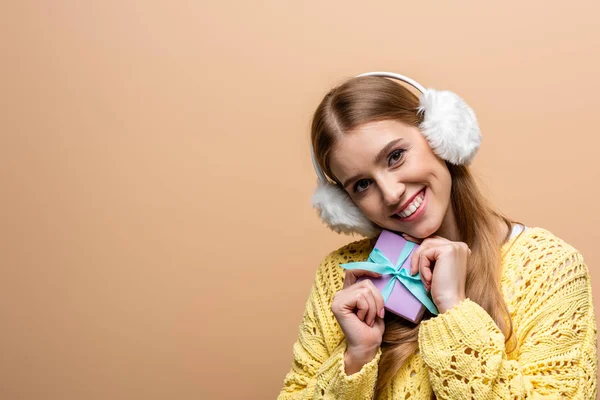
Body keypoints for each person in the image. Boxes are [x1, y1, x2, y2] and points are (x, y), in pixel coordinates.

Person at [277, 72, 598, 399]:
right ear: (346, 205)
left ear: (442, 136)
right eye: (362, 185)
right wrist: (356, 357)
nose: (390, 193)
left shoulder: (551, 269)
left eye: (395, 156)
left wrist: (454, 311)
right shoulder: (341, 276)